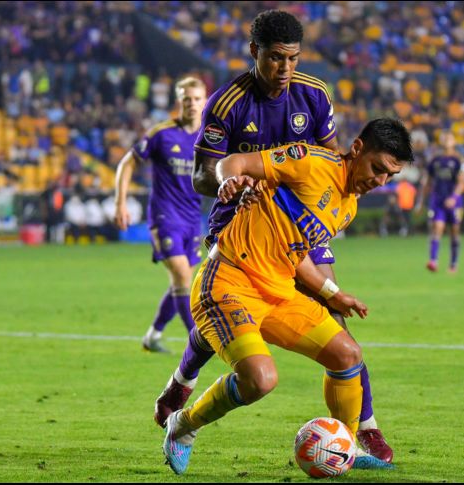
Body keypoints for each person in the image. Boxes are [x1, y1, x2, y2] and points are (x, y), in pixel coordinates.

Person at [154, 9, 395, 463]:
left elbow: (324, 168)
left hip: (301, 218)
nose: (284, 69)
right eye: (275, 59)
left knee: (338, 328)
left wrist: (327, 280)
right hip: (239, 211)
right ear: (255, 53)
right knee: (229, 308)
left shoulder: (314, 95)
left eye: (292, 58)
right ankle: (183, 385)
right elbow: (205, 175)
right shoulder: (227, 104)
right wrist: (230, 183)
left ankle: (360, 430)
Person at [162, 118, 413, 475]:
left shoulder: (348, 207)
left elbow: (294, 255)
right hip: (228, 281)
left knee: (347, 354)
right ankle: (183, 427)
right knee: (260, 379)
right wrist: (230, 180)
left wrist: (333, 293)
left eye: (390, 176)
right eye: (377, 168)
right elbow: (230, 162)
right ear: (357, 149)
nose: (380, 181)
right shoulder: (310, 162)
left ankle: (345, 447)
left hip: (277, 291)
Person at [114, 77, 208, 353]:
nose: (191, 103)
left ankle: (153, 336)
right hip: (165, 216)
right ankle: (199, 341)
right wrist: (121, 202)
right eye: (186, 98)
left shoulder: (208, 138)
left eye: (197, 98)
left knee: (182, 281)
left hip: (192, 219)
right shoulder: (161, 134)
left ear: (205, 101)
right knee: (180, 274)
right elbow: (126, 163)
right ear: (179, 101)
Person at [417, 132, 464, 273]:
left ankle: (453, 264)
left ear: (454, 142)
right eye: (444, 138)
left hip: (454, 202)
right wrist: (420, 202)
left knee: (454, 232)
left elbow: (461, 183)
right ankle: (433, 261)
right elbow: (427, 182)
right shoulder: (435, 160)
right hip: (438, 200)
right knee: (437, 228)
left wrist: (454, 197)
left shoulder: (458, 160)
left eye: (449, 138)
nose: (446, 140)